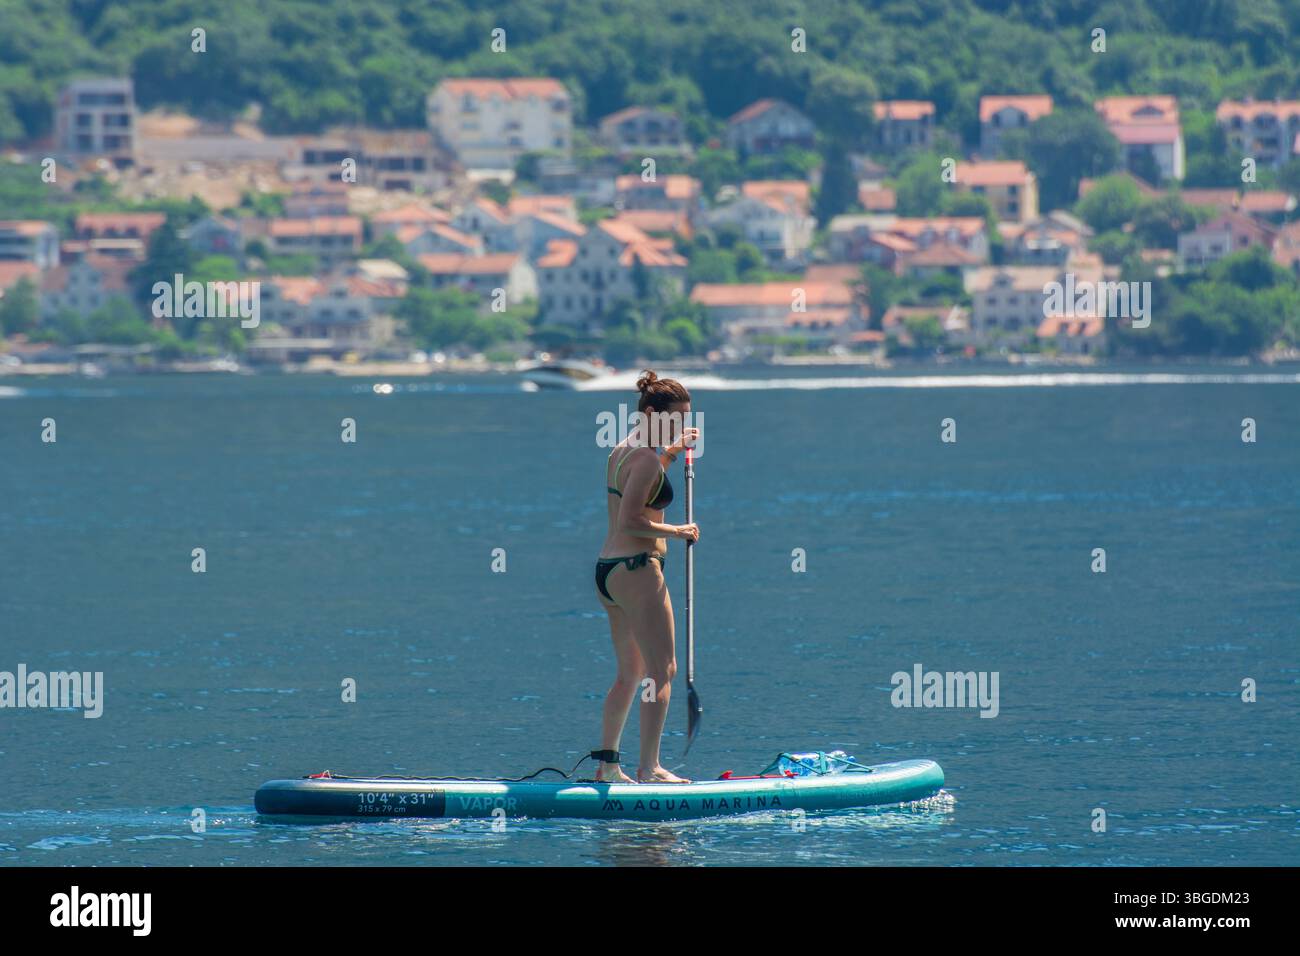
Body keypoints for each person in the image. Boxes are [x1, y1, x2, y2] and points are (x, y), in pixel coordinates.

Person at [592, 370, 700, 784]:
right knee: (663, 670)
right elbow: (632, 519)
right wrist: (679, 531)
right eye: (675, 418)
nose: (681, 423)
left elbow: (645, 485)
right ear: (652, 414)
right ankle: (649, 768)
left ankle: (607, 766)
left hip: (609, 573)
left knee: (630, 674)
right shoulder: (643, 457)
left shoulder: (622, 451)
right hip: (637, 570)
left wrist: (671, 453)